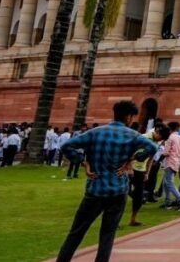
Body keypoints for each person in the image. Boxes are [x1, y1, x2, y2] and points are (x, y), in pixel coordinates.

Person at [54, 100, 157, 262]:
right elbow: (152, 147)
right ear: (128, 117)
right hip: (118, 189)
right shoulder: (132, 135)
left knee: (77, 232)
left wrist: (83, 162)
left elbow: (66, 146)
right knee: (108, 234)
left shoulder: (95, 132)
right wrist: (132, 159)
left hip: (96, 188)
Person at [157, 125, 180, 210]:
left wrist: (157, 161)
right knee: (166, 182)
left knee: (169, 183)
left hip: (170, 162)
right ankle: (168, 202)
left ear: (170, 129)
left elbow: (166, 152)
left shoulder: (170, 138)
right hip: (176, 163)